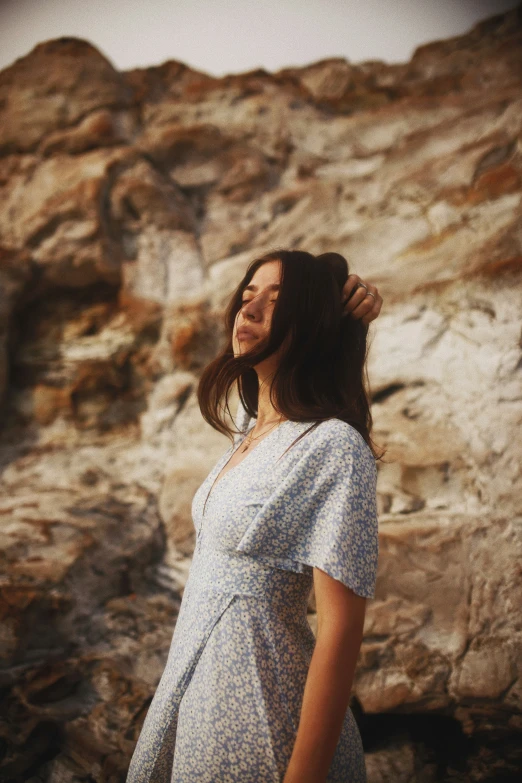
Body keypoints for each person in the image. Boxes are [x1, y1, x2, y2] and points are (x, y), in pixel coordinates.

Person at [126, 249, 383, 783]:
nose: (250, 310)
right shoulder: (253, 429)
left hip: (265, 714)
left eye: (277, 302)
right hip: (199, 696)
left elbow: (340, 633)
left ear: (312, 321)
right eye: (247, 297)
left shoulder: (334, 446)